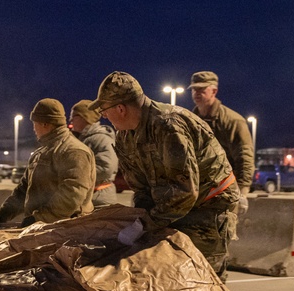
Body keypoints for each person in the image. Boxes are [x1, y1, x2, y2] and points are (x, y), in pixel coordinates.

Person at [92, 71, 239, 276]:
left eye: (105, 110)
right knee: (164, 275)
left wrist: (145, 224)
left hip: (209, 207)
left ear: (121, 108)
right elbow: (140, 187)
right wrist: (141, 220)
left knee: (202, 279)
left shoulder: (168, 126)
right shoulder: (124, 137)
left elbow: (185, 191)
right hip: (171, 208)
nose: (104, 116)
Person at [0, 98, 95, 227]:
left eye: (35, 123)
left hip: (65, 230)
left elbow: (73, 193)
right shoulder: (40, 153)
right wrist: (2, 215)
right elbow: (23, 190)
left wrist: (39, 218)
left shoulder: (73, 151)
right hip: (41, 227)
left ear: (45, 124)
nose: (33, 128)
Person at [189, 71, 254, 214]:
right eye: (194, 89)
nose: (197, 93)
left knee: (222, 232)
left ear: (214, 91)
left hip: (226, 189)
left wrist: (242, 192)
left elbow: (245, 157)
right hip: (198, 190)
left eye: (202, 89)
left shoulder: (232, 121)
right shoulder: (191, 120)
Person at [69, 99, 118, 207]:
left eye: (74, 116)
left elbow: (106, 168)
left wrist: (74, 173)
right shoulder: (82, 139)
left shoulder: (101, 138)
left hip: (99, 201)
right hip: (88, 198)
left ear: (85, 118)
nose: (71, 120)